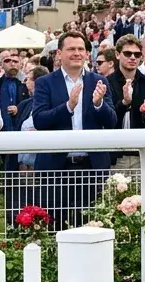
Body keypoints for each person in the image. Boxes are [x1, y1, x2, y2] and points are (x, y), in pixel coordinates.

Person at [29, 31, 117, 229]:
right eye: (71, 49)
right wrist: (68, 106)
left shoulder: (99, 81)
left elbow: (112, 121)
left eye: (80, 49)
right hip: (56, 169)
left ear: (87, 54)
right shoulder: (45, 83)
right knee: (54, 228)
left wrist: (98, 104)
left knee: (93, 227)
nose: (77, 53)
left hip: (91, 168)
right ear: (59, 54)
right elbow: (40, 120)